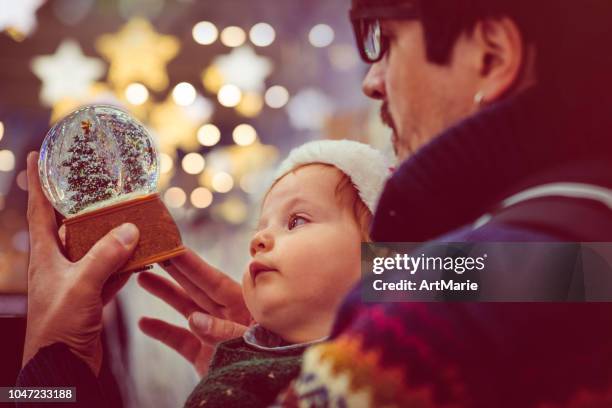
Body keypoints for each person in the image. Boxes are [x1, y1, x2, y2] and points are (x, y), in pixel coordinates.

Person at [18, 0, 612, 406]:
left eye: (385, 39)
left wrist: (48, 370)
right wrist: (293, 354)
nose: (370, 81)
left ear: (490, 54)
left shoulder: (453, 303)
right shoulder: (576, 249)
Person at [17, 140, 390, 408]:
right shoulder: (243, 377)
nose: (259, 238)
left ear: (380, 258)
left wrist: (46, 366)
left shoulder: (397, 359)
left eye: (296, 220)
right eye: (260, 226)